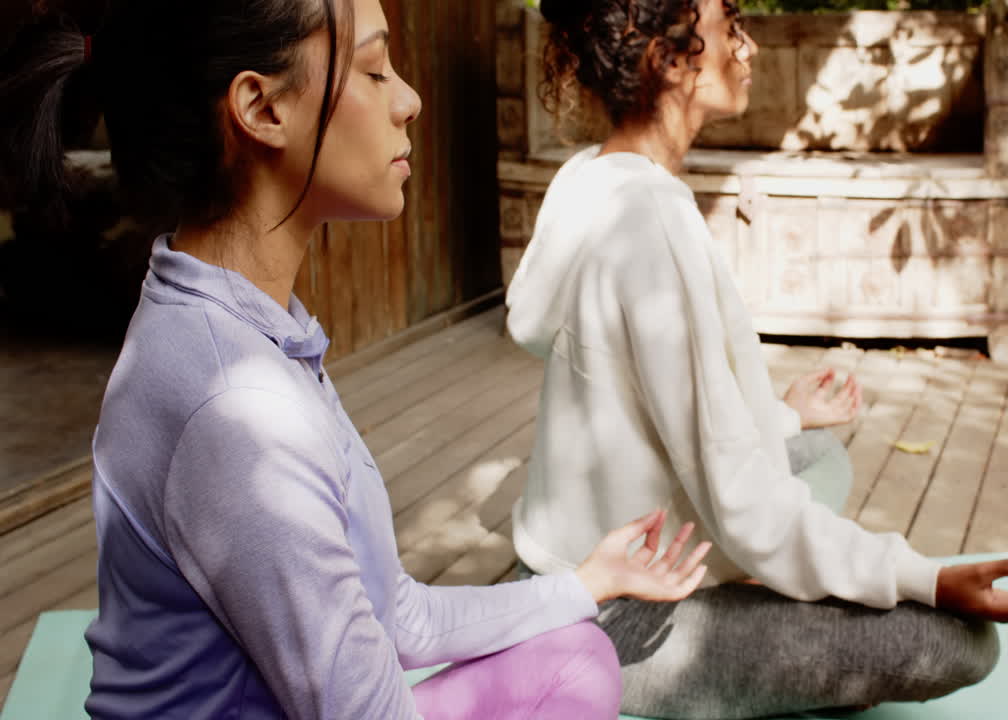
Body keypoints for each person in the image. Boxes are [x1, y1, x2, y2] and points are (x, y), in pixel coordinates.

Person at [0, 1, 714, 718]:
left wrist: (587, 581)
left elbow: (396, 615)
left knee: (575, 654)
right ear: (261, 107)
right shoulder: (238, 410)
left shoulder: (242, 324)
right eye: (374, 70)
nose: (410, 99)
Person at [505, 1, 1008, 718]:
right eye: (730, 24)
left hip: (554, 568)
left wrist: (780, 415)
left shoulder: (588, 177)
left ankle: (769, 574)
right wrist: (924, 578)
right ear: (666, 59)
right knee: (959, 644)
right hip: (607, 628)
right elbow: (745, 504)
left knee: (819, 454)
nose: (749, 46)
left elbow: (583, 357)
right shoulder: (653, 222)